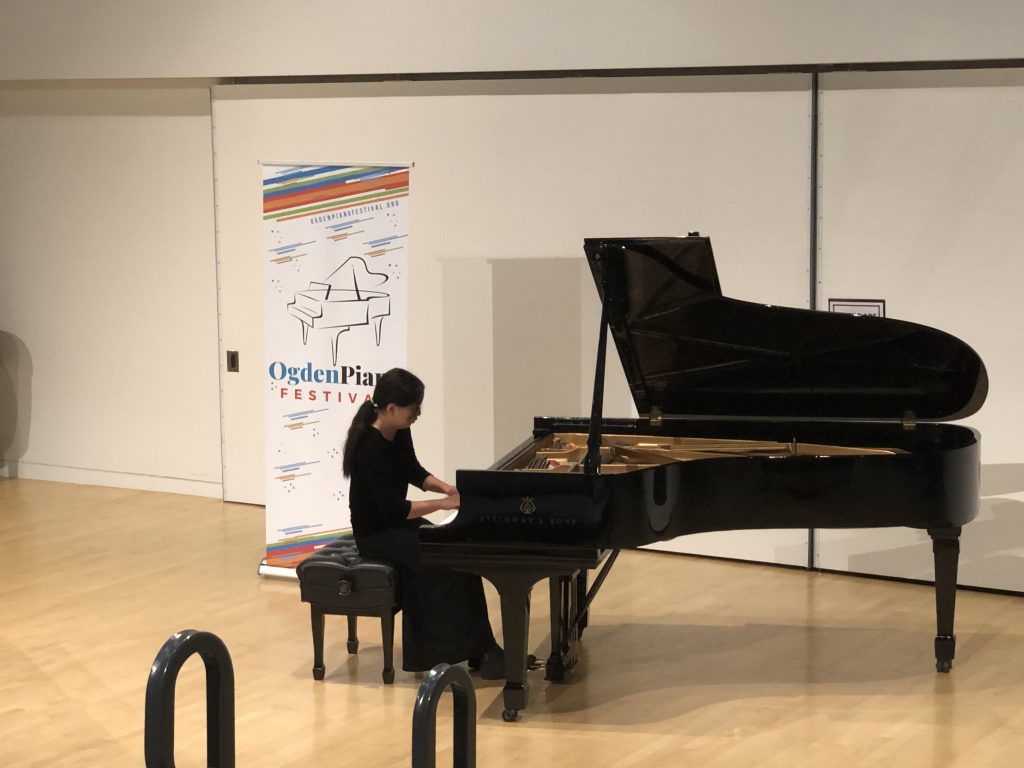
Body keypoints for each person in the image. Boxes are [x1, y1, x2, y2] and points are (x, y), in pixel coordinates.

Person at [342, 367, 504, 677]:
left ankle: (481, 650)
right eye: (413, 408)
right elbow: (391, 511)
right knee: (440, 565)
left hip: (396, 525)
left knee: (458, 556)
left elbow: (412, 470)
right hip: (376, 534)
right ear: (391, 409)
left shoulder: (399, 429)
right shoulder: (369, 447)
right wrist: (443, 505)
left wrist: (447, 488)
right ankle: (435, 655)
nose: (417, 413)